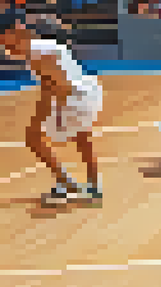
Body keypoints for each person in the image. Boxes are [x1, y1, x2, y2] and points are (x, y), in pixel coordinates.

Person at [0, 11, 105, 206]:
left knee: (38, 137)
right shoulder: (38, 49)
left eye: (7, 44)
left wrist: (43, 117)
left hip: (74, 96)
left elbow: (57, 87)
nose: (7, 50)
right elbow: (54, 85)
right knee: (81, 138)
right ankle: (89, 185)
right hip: (80, 93)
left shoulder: (38, 55)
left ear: (16, 33)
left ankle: (76, 184)